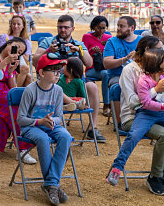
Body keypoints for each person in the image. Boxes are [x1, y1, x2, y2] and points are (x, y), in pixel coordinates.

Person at [33, 14, 106, 142]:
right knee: (53, 86)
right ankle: (71, 104)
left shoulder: (78, 44)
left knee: (92, 87)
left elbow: (89, 64)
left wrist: (79, 51)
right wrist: (48, 51)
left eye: (66, 27)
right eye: (60, 27)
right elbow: (34, 61)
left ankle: (93, 128)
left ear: (73, 28)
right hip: (52, 80)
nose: (62, 30)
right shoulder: (48, 42)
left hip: (75, 81)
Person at [107, 48, 164, 194]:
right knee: (134, 135)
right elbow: (145, 103)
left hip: (161, 113)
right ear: (155, 63)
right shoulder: (143, 80)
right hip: (147, 113)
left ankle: (158, 174)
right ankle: (117, 168)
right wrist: (157, 93)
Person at [17, 55, 72, 205]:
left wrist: (50, 121)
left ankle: (50, 184)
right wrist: (40, 121)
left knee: (66, 137)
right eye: (53, 70)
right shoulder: (30, 90)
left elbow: (59, 116)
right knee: (42, 139)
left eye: (59, 70)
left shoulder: (58, 90)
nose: (58, 73)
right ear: (41, 73)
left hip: (51, 125)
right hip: (31, 127)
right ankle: (53, 185)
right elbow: (20, 119)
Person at [0, 37, 36, 164]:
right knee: (15, 107)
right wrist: (4, 62)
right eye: (16, 47)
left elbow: (13, 89)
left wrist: (10, 73)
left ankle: (24, 144)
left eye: (19, 52)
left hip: (4, 95)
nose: (17, 52)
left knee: (22, 103)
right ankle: (23, 149)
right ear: (8, 43)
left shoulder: (10, 63)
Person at [103, 16, 141, 129]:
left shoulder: (141, 41)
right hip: (117, 75)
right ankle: (120, 124)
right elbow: (106, 63)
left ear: (132, 27)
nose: (118, 28)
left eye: (122, 26)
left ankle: (145, 119)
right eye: (118, 25)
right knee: (116, 89)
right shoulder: (112, 41)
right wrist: (125, 59)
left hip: (138, 76)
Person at [82, 16, 112, 116]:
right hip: (92, 68)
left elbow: (112, 52)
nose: (101, 30)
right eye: (99, 28)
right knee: (106, 74)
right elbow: (83, 54)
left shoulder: (108, 38)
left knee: (107, 74)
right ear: (93, 27)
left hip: (104, 67)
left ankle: (110, 103)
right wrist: (92, 51)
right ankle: (106, 104)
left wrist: (105, 48)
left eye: (104, 28)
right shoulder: (86, 37)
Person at [0, 14, 32, 87]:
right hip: (6, 62)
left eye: (18, 24)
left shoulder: (26, 41)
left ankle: (17, 93)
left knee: (28, 75)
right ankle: (15, 92)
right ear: (11, 25)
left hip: (19, 64)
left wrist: (19, 53)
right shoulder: (5, 37)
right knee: (27, 73)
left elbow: (26, 60)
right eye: (14, 24)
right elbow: (0, 53)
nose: (16, 26)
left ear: (23, 26)